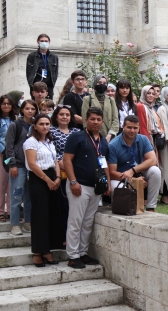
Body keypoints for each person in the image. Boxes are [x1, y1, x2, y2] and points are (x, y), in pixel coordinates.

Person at [63, 107, 110, 269]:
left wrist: (107, 183)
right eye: (92, 119)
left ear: (102, 121)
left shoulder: (103, 141)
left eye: (98, 119)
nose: (95, 122)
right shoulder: (77, 136)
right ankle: (72, 255)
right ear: (86, 120)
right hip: (79, 185)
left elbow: (104, 164)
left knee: (88, 222)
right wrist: (73, 182)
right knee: (76, 221)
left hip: (96, 187)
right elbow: (67, 160)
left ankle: (82, 253)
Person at [24, 114, 63, 266]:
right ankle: (37, 252)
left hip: (53, 176)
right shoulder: (30, 142)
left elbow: (55, 161)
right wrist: (48, 181)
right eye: (42, 124)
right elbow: (33, 165)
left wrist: (58, 178)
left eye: (47, 124)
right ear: (35, 126)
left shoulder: (49, 142)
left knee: (51, 213)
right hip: (39, 178)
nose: (45, 127)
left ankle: (47, 250)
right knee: (40, 215)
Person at [108, 115, 160, 210]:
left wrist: (133, 171)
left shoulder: (143, 139)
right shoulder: (113, 145)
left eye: (135, 128)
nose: (132, 131)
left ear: (139, 128)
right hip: (120, 177)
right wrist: (133, 180)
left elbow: (153, 160)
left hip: (136, 172)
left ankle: (151, 207)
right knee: (116, 187)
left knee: (155, 171)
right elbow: (111, 172)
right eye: (129, 127)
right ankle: (119, 206)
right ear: (123, 127)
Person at [6, 100, 38, 235]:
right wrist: (12, 165)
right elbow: (9, 146)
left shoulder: (37, 125)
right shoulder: (15, 125)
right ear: (22, 110)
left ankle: (28, 222)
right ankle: (14, 224)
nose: (30, 111)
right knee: (16, 195)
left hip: (33, 166)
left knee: (29, 196)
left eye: (32, 109)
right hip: (18, 166)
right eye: (27, 108)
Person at [50, 105, 80, 246]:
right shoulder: (51, 131)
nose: (64, 117)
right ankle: (62, 238)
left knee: (73, 207)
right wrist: (61, 164)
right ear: (56, 116)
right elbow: (50, 151)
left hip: (76, 172)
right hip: (59, 172)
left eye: (67, 114)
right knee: (62, 206)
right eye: (61, 114)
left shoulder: (77, 132)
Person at [82, 74, 119, 143]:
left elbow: (115, 119)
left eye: (104, 83)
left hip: (110, 137)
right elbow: (85, 120)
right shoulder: (87, 99)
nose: (102, 85)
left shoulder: (111, 100)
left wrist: (110, 135)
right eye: (99, 83)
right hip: (93, 137)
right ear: (95, 83)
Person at [0, 95, 17, 223]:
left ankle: (11, 212)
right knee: (2, 183)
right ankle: (0, 211)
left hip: (11, 155)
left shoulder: (14, 120)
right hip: (1, 154)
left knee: (11, 183)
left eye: (9, 104)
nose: (6, 106)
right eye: (4, 103)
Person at [26, 34, 58, 99]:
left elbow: (55, 72)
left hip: (48, 85)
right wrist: (31, 85)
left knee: (48, 104)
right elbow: (28, 72)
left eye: (46, 41)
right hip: (36, 84)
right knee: (36, 104)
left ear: (49, 42)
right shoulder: (32, 56)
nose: (44, 42)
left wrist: (52, 84)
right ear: (38, 42)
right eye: (42, 41)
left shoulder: (54, 57)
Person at [136, 85, 165, 150]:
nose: (151, 95)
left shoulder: (151, 107)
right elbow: (142, 126)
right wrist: (147, 143)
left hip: (153, 138)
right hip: (146, 139)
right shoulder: (140, 106)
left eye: (153, 94)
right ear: (144, 94)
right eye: (148, 93)